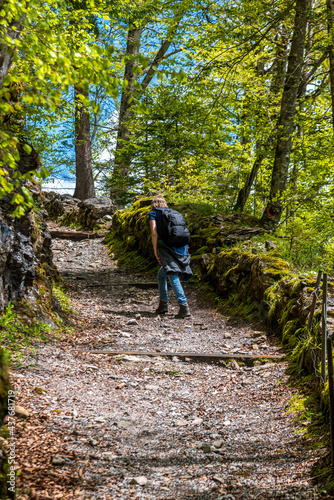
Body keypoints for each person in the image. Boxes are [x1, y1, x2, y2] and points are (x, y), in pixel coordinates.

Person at [149, 195, 192, 318]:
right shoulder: (174, 213)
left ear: (154, 203)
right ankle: (163, 304)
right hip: (180, 246)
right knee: (161, 274)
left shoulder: (153, 213)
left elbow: (154, 232)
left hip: (166, 246)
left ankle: (183, 306)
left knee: (172, 274)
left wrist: (155, 251)